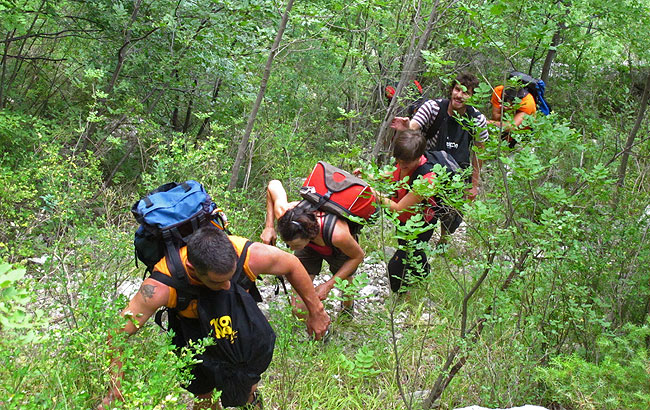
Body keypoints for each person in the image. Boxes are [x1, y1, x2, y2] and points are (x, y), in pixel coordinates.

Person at [98, 226, 330, 410]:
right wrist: (115, 389)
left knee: (247, 386)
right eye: (217, 282)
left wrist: (316, 311)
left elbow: (293, 264)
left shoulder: (248, 255)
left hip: (235, 316)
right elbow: (117, 333)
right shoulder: (161, 286)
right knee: (204, 397)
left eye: (231, 277)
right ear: (192, 267)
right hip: (191, 328)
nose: (227, 285)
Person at [390, 72, 488, 241]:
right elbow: (415, 125)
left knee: (451, 217)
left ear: (473, 97)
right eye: (457, 89)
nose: (459, 95)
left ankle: (443, 242)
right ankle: (414, 245)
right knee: (421, 213)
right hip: (428, 171)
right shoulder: (433, 107)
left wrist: (474, 184)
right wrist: (407, 126)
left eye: (466, 92)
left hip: (457, 173)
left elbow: (480, 152)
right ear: (451, 89)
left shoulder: (477, 119)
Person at [261, 180, 365, 316]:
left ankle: (347, 308)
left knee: (345, 280)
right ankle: (320, 329)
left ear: (308, 235)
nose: (292, 249)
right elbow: (273, 185)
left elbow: (358, 256)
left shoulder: (338, 235)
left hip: (337, 248)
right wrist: (269, 227)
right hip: (309, 247)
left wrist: (328, 286)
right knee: (298, 307)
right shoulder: (284, 213)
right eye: (289, 245)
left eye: (295, 245)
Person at [369, 130, 439, 292]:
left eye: (405, 165)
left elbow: (399, 208)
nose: (401, 167)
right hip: (405, 222)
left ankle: (401, 294)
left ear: (418, 158)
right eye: (398, 162)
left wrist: (374, 193)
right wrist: (369, 176)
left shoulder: (427, 180)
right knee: (413, 253)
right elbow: (391, 174)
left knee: (399, 262)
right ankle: (422, 280)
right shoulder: (405, 159)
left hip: (420, 225)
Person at [488, 81, 537, 148]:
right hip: (504, 134)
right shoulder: (498, 91)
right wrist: (506, 111)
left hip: (522, 135)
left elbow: (511, 127)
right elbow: (495, 117)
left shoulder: (527, 103)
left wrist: (488, 122)